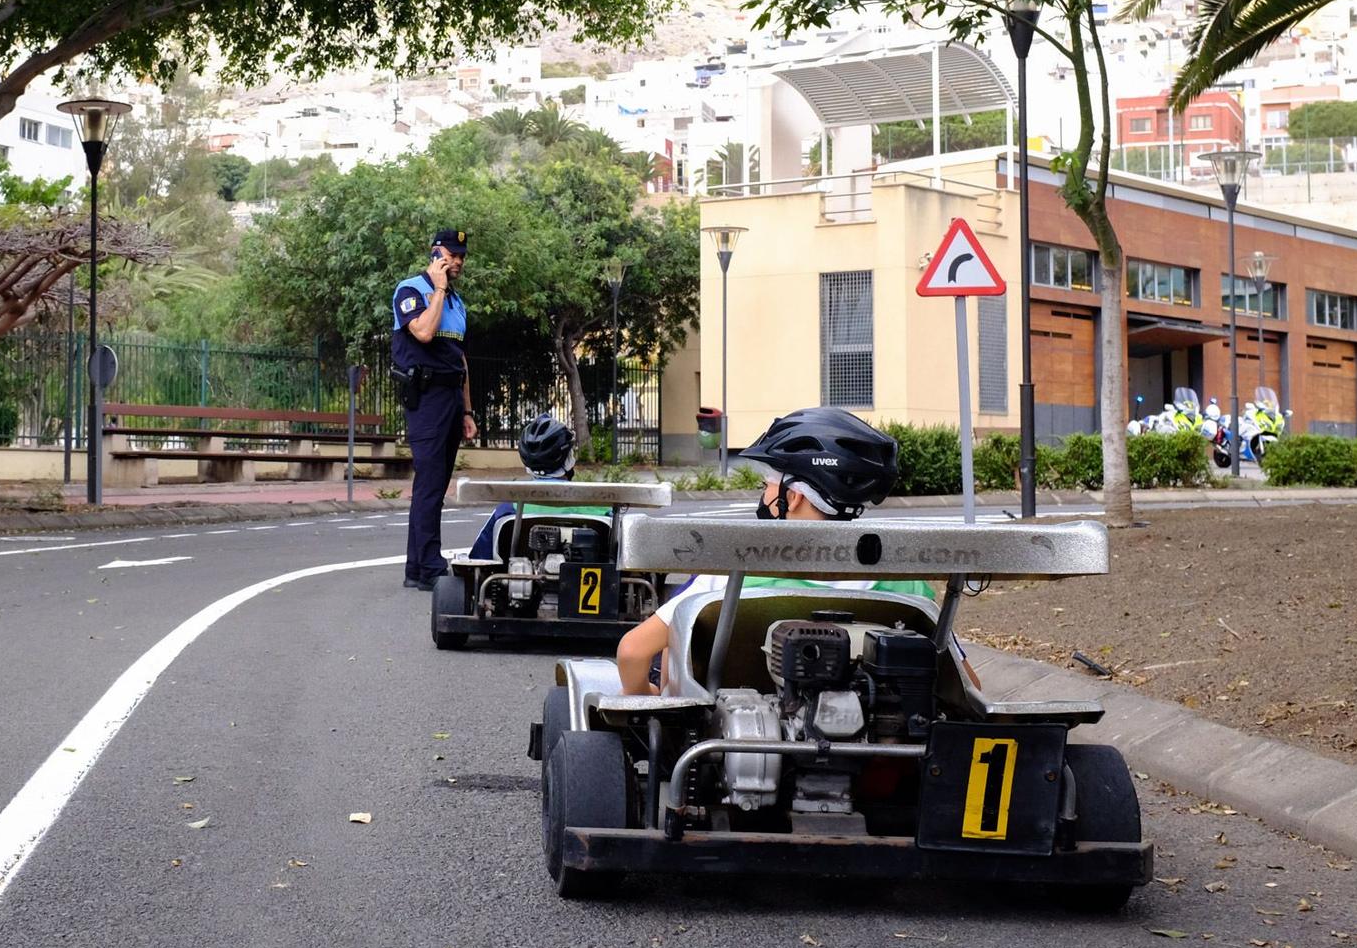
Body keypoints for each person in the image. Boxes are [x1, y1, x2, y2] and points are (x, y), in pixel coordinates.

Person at [615, 408, 950, 696]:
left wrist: (649, 696)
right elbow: (962, 681)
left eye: (767, 487)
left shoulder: (728, 575)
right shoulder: (909, 588)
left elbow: (632, 652)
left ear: (794, 497)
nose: (763, 497)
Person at [393, 228, 478, 590]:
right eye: (451, 254)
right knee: (429, 484)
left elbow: (460, 360)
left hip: (450, 399)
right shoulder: (410, 290)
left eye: (461, 256)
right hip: (425, 398)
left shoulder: (457, 303)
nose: (457, 261)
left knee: (436, 484)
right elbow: (424, 333)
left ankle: (416, 568)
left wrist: (468, 412)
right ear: (435, 253)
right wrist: (439, 288)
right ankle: (429, 566)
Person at [467, 414, 609, 561]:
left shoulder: (509, 507)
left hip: (520, 580)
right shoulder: (600, 506)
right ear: (569, 460)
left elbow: (479, 558)